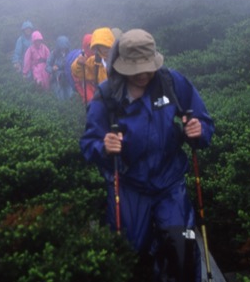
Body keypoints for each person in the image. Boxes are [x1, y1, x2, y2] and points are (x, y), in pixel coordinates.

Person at [80, 29, 215, 281]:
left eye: (147, 66)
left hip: (169, 182)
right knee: (133, 256)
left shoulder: (171, 82)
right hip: (129, 186)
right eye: (135, 68)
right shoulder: (107, 95)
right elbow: (89, 143)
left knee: (181, 249)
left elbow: (203, 120)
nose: (143, 73)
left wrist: (198, 130)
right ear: (121, 65)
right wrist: (104, 147)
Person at [70, 27, 114, 103]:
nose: (105, 49)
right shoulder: (95, 61)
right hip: (105, 101)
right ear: (96, 47)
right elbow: (79, 73)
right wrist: (79, 63)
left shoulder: (121, 59)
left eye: (106, 45)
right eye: (101, 46)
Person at [67, 33, 93, 105]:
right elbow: (75, 74)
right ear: (85, 46)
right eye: (89, 46)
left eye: (93, 45)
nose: (91, 48)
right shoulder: (81, 58)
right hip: (84, 83)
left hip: (94, 85)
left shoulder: (97, 55)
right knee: (91, 101)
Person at [46, 35, 74, 100]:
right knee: (60, 98)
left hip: (68, 79)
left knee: (69, 97)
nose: (63, 49)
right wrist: (52, 68)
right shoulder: (54, 54)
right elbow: (47, 66)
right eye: (61, 47)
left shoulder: (70, 54)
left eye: (64, 47)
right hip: (57, 80)